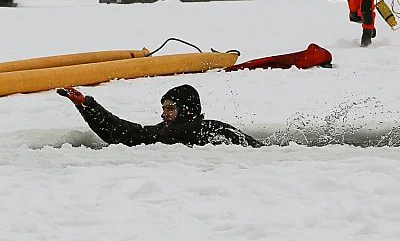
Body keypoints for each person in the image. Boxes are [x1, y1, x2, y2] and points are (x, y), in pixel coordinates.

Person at [56, 84, 263, 148]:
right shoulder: (164, 131)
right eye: (164, 108)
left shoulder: (207, 129)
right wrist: (86, 105)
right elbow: (122, 132)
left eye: (170, 108)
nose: (164, 114)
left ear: (187, 109)